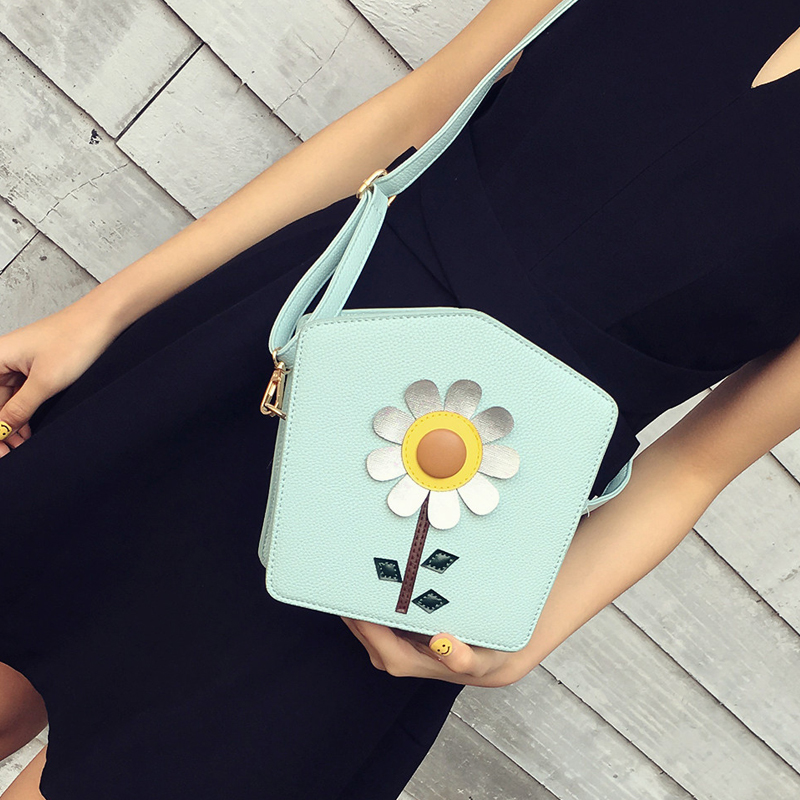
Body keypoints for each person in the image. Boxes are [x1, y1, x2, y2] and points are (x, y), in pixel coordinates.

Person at [1, 0, 799, 796]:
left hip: (429, 533)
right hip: (252, 366)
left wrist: (528, 638)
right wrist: (99, 314)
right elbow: (414, 115)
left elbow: (701, 460)